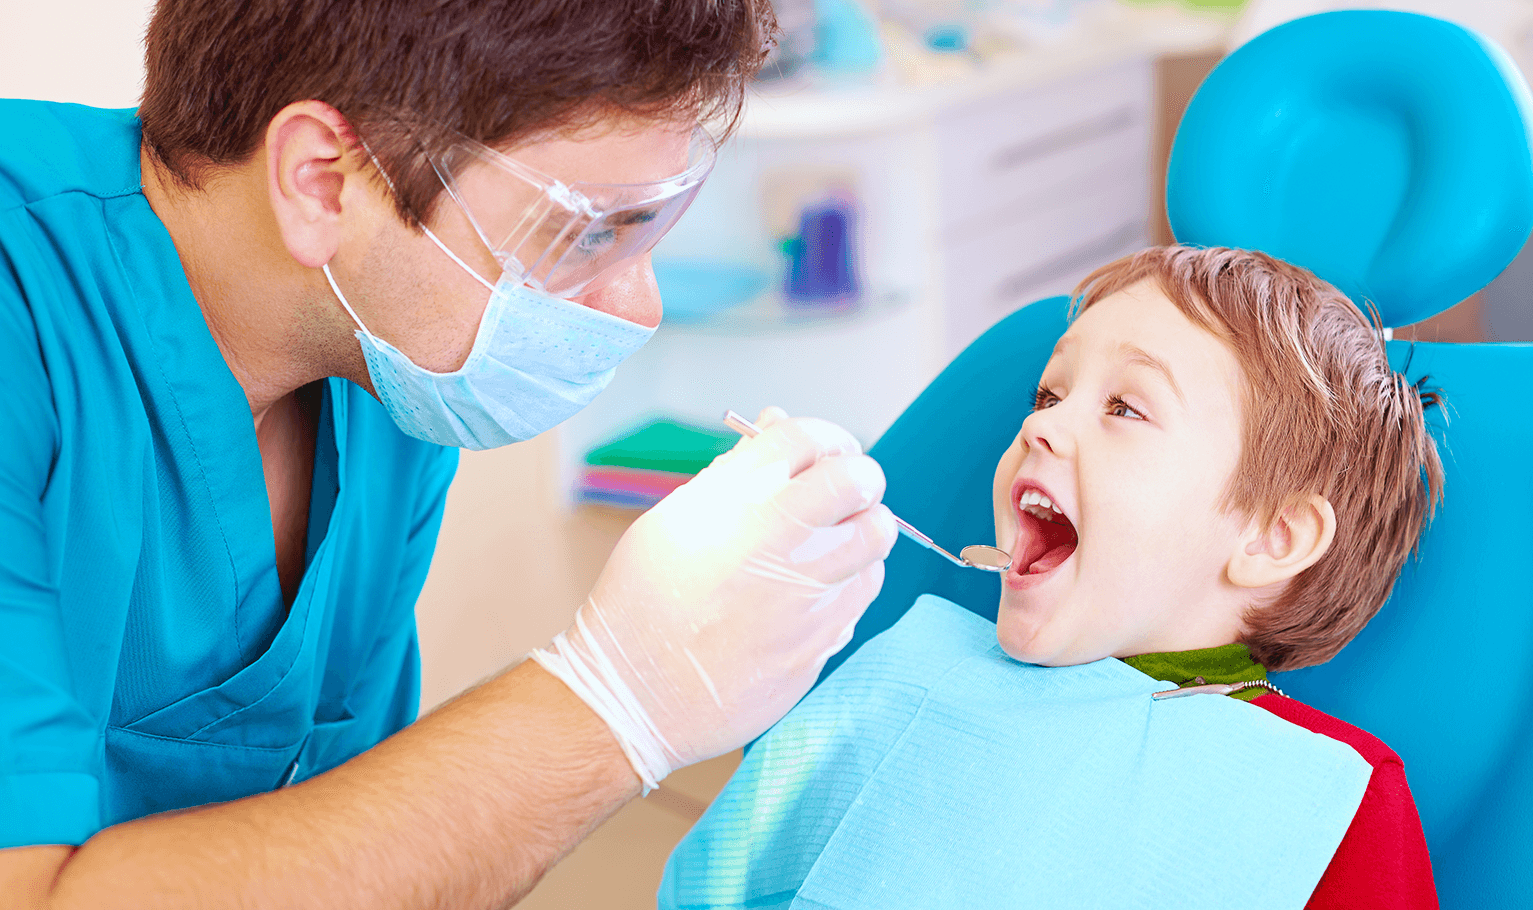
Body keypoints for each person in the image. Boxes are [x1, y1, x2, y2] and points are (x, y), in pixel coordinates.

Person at [0, 0, 899, 907]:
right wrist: (614, 700)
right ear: (323, 181)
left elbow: (373, 848)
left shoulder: (387, 370)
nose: (638, 308)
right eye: (588, 231)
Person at [668, 246, 1444, 907]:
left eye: (1126, 409)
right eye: (1050, 393)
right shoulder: (904, 671)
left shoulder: (1328, 799)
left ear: (1274, 537)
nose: (1040, 424)